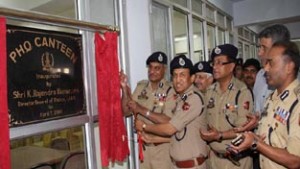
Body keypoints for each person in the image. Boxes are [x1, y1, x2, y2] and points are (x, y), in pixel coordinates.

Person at [230, 41, 300, 169]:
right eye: (266, 63)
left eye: (271, 63)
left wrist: (255, 143)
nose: (265, 68)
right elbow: (271, 139)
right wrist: (250, 139)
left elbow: (296, 160)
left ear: (289, 67)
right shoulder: (271, 98)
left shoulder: (297, 103)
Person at [135, 55, 208, 169]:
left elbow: (170, 129)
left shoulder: (193, 99)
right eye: (175, 75)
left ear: (192, 78)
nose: (178, 80)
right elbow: (180, 135)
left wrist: (144, 126)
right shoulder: (181, 99)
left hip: (193, 165)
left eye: (182, 75)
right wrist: (154, 139)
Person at [200, 44, 254, 169]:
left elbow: (243, 129)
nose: (215, 67)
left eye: (220, 63)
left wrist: (219, 135)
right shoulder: (210, 91)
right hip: (214, 160)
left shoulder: (242, 91)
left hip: (237, 161)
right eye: (214, 63)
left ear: (231, 66)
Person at [120, 51, 173, 169]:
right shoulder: (141, 87)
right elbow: (125, 111)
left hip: (162, 149)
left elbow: (168, 121)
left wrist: (141, 109)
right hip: (144, 149)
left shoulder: (171, 90)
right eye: (150, 67)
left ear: (164, 69)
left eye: (157, 68)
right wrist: (124, 88)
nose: (152, 71)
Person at [253, 24, 290, 116]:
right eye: (259, 47)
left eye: (264, 48)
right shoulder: (260, 75)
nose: (259, 53)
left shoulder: (294, 81)